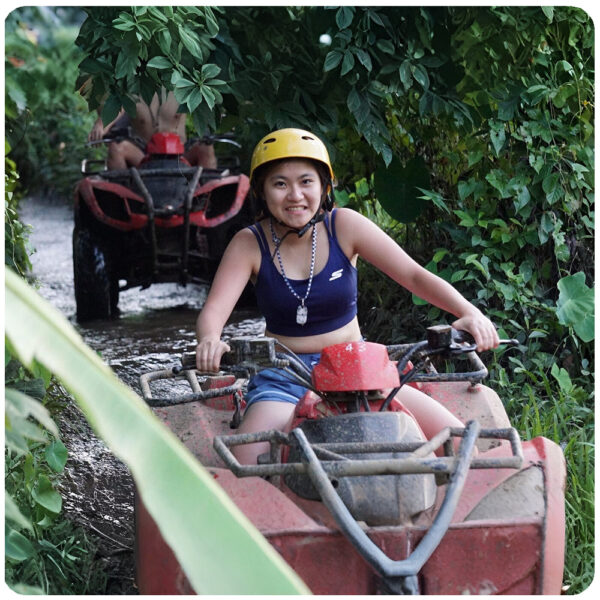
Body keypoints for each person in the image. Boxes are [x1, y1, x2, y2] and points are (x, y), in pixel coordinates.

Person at [195, 128, 499, 465]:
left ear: (324, 187)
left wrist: (470, 312)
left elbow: (413, 275)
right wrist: (210, 340)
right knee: (246, 462)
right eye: (280, 183)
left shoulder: (345, 226)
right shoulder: (249, 243)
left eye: (306, 181)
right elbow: (213, 312)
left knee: (459, 441)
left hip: (357, 367)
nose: (295, 195)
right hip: (283, 376)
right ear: (262, 192)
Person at [88, 89, 217, 170]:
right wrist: (100, 125)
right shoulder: (132, 89)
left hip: (179, 155)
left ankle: (205, 199)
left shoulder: (183, 86)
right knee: (117, 148)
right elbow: (117, 108)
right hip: (143, 155)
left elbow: (206, 102)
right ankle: (122, 200)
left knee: (206, 147)